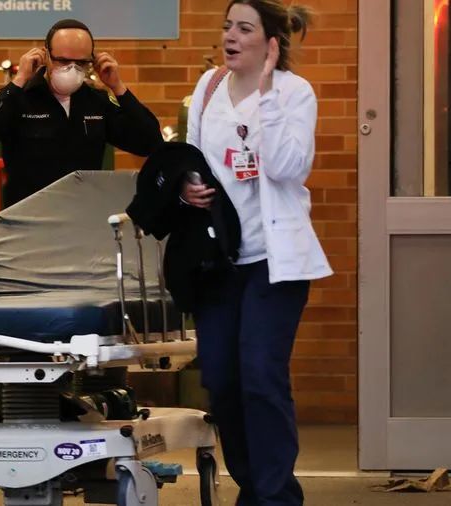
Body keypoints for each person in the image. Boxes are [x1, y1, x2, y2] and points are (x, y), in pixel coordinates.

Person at [182, 1, 332, 505]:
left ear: (270, 42)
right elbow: (192, 157)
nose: (230, 36)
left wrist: (266, 94)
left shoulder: (294, 92)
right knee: (223, 381)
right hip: (219, 260)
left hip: (275, 261)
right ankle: (253, 489)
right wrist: (187, 187)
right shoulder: (207, 87)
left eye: (244, 28)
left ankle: (276, 497)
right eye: (227, 26)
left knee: (262, 378)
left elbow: (289, 167)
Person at [0, 18, 163, 208]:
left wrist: (118, 86)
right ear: (46, 56)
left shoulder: (96, 102)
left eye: (81, 63)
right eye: (62, 60)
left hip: (81, 214)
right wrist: (19, 80)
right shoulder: (20, 98)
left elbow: (149, 143)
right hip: (28, 216)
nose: (71, 68)